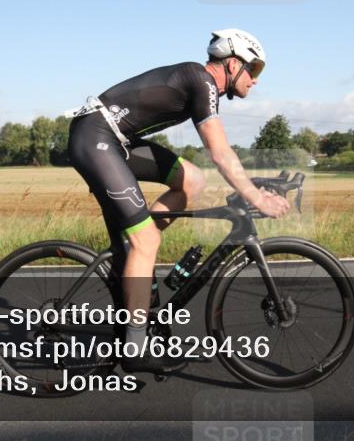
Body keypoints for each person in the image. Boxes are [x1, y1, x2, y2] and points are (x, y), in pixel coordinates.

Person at [67, 29, 291, 374]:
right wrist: (255, 196)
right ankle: (135, 346)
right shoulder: (200, 79)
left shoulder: (201, 84)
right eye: (254, 69)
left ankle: (137, 248)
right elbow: (218, 151)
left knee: (192, 180)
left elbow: (215, 157)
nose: (255, 80)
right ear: (232, 64)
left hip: (116, 139)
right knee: (146, 240)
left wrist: (253, 184)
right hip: (95, 137)